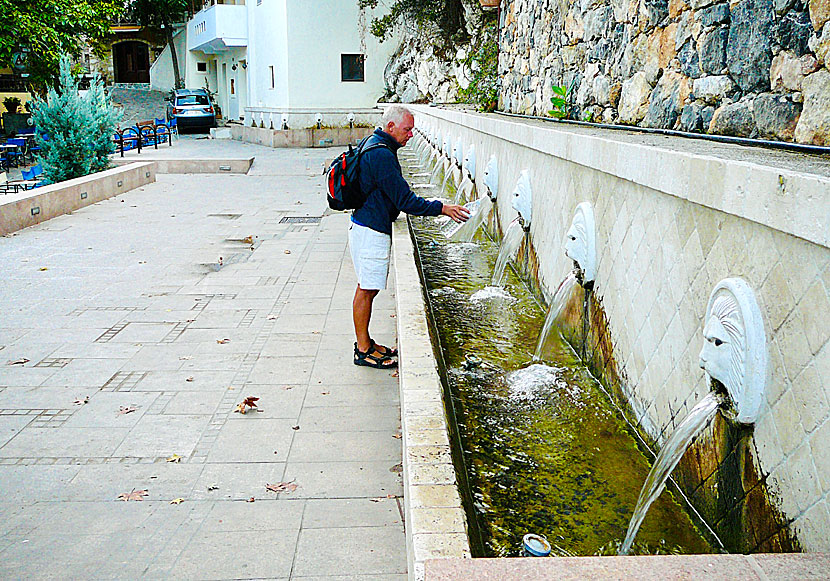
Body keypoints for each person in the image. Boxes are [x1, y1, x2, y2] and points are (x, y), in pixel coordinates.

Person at [350, 105, 469, 369]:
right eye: (407, 129)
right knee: (366, 289)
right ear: (390, 127)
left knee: (367, 288)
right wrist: (442, 208)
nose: (411, 135)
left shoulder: (376, 143)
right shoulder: (381, 154)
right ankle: (362, 350)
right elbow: (406, 200)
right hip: (370, 229)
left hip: (366, 225)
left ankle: (367, 343)